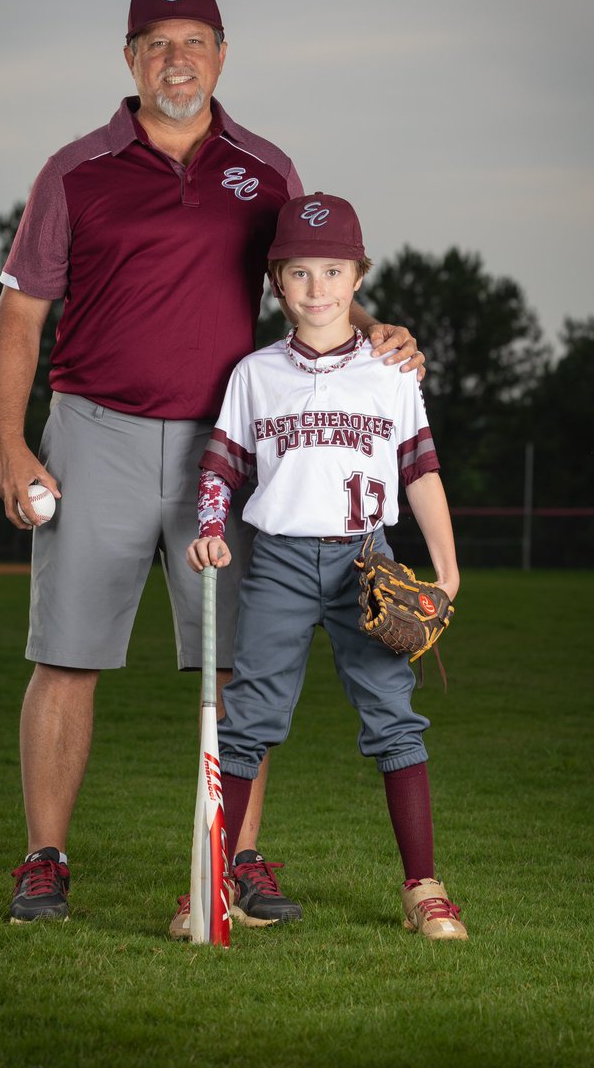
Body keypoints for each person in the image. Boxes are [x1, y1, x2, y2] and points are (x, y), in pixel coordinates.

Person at [0, 0, 425, 925]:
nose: (175, 59)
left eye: (193, 41)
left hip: (228, 447)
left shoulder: (266, 170)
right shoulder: (74, 169)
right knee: (66, 656)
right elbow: (21, 311)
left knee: (243, 666)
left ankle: (239, 860)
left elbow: (316, 280)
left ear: (222, 54)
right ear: (130, 59)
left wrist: (377, 331)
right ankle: (45, 857)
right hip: (93, 429)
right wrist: (10, 442)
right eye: (155, 42)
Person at [185, 192, 467, 940]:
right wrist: (211, 529)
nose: (318, 289)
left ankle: (425, 889)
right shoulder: (254, 374)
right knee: (247, 722)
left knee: (394, 718)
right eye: (301, 273)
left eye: (334, 271)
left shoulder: (390, 372)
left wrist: (446, 566)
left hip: (365, 561)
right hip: (276, 561)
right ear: (278, 281)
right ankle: (211, 886)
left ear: (358, 278)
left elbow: (421, 473)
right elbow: (221, 469)